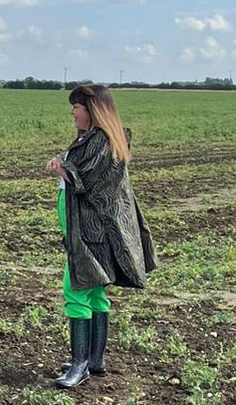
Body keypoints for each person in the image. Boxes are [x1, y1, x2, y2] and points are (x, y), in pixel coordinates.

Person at [46, 83, 156, 388]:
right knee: (95, 292)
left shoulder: (101, 141)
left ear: (92, 111)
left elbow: (87, 181)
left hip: (89, 232)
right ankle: (94, 359)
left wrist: (61, 167)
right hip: (90, 229)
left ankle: (79, 366)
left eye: (77, 107)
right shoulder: (99, 139)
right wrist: (65, 160)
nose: (73, 113)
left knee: (76, 290)